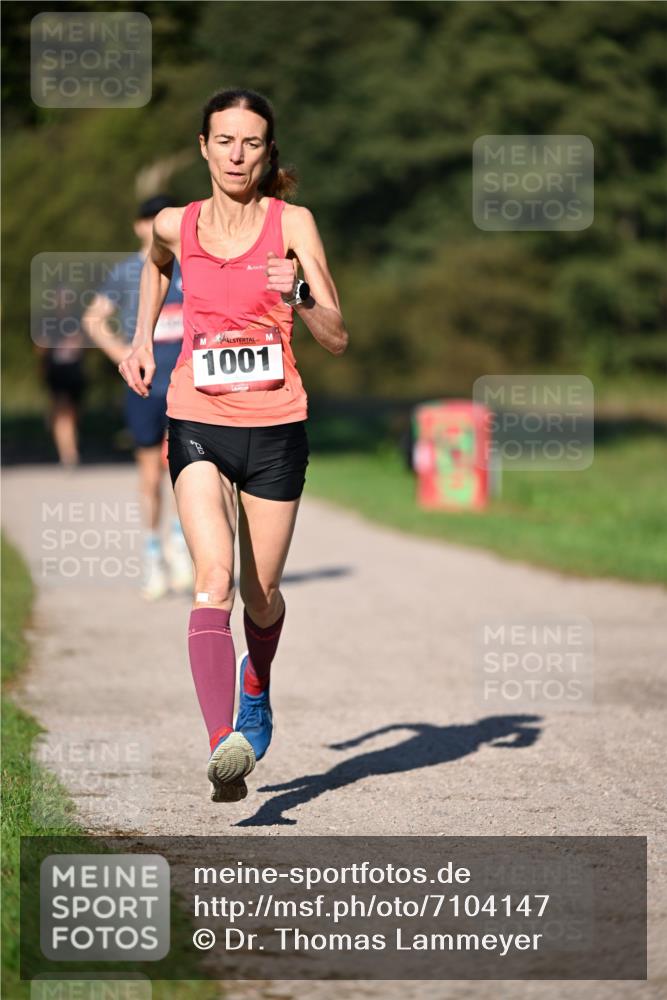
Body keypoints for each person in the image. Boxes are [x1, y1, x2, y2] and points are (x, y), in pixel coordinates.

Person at [118, 88, 349, 802]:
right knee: (211, 579)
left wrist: (302, 292)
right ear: (203, 147)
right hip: (196, 420)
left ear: (266, 151)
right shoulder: (173, 223)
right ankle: (224, 744)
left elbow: (338, 337)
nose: (237, 155)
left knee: (262, 593)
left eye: (251, 143)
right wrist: (138, 337)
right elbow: (156, 262)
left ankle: (257, 682)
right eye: (224, 141)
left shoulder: (292, 223)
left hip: (276, 429)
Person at [83, 196, 193, 600]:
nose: (155, 226)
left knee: (191, 472)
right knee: (150, 476)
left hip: (189, 386)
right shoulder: (127, 271)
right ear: (138, 226)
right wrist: (125, 358)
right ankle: (153, 554)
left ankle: (182, 546)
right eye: (149, 220)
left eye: (162, 220)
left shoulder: (192, 264)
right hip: (145, 388)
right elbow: (93, 320)